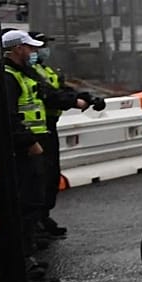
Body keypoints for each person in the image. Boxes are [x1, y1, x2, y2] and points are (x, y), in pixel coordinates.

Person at [26, 33, 99, 238]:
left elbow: (62, 89)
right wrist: (75, 102)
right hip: (37, 130)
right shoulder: (29, 72)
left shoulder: (46, 70)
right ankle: (35, 223)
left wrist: (85, 97)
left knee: (50, 175)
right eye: (38, 46)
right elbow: (52, 96)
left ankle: (43, 216)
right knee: (38, 178)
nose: (42, 50)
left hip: (48, 128)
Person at [0, 30, 51, 279]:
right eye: (30, 48)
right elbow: (8, 116)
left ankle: (25, 252)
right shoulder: (8, 78)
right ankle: (21, 259)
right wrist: (28, 142)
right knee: (24, 203)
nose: (34, 53)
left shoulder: (21, 74)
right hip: (21, 149)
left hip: (31, 142)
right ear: (18, 49)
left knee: (32, 200)